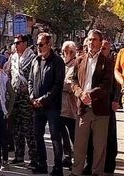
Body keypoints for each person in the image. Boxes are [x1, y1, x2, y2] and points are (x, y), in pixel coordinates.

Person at [70, 30, 114, 176]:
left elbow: (107, 84)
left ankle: (97, 172)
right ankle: (76, 172)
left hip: (100, 109)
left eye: (94, 40)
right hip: (83, 108)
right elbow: (74, 81)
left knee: (99, 146)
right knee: (79, 145)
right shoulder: (79, 60)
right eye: (89, 40)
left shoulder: (107, 62)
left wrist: (91, 94)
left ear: (101, 43)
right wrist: (80, 93)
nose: (91, 43)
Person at [28, 33, 65, 176]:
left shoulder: (57, 61)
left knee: (55, 137)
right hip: (36, 106)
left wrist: (43, 99)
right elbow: (30, 80)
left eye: (41, 44)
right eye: (37, 44)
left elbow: (57, 85)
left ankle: (58, 167)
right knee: (37, 135)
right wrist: (32, 97)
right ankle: (41, 164)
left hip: (52, 107)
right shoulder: (35, 60)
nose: (38, 47)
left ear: (49, 44)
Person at [8, 34, 38, 167]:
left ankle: (33, 158)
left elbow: (35, 77)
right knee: (16, 128)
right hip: (15, 96)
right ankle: (19, 155)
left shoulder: (32, 58)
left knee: (28, 128)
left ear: (25, 43)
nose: (16, 45)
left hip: (26, 97)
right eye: (14, 43)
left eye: (18, 43)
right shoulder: (13, 58)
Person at [60, 41, 78, 169]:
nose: (64, 53)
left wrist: (58, 85)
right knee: (62, 133)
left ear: (72, 52)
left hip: (71, 106)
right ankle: (67, 156)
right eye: (63, 51)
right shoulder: (60, 64)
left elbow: (71, 84)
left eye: (66, 51)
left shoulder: (76, 65)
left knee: (74, 134)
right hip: (60, 106)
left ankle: (77, 158)